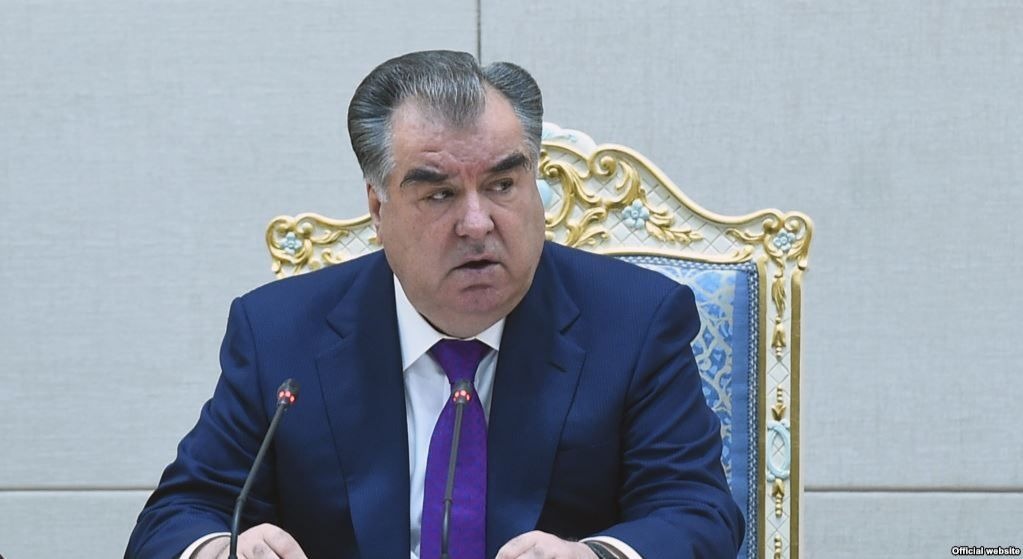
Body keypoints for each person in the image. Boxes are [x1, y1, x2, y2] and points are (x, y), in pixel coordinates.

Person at [125, 50, 744, 559]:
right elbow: (179, 515)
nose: (477, 223)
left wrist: (597, 555)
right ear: (378, 208)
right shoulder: (280, 333)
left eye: (503, 184)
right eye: (440, 194)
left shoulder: (635, 321)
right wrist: (219, 549)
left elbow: (697, 512)